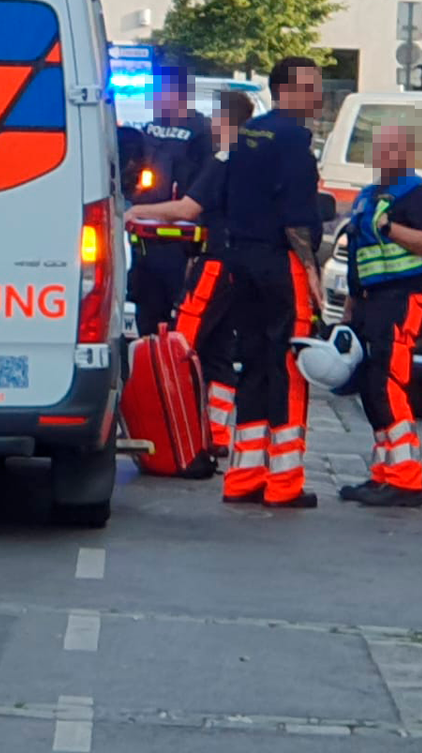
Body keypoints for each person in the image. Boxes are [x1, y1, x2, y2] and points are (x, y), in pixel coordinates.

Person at [123, 89, 254, 456]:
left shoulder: (224, 158)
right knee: (219, 348)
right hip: (241, 263)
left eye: (215, 118)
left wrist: (136, 213)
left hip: (217, 261)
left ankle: (179, 430)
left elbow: (188, 208)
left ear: (227, 121)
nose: (210, 124)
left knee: (184, 344)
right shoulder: (252, 157)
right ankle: (217, 433)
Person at [221, 57, 325, 509]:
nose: (317, 95)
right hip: (279, 262)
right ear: (285, 89)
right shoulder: (293, 139)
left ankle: (244, 476)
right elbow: (297, 216)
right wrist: (311, 271)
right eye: (310, 86)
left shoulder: (248, 134)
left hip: (240, 257)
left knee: (254, 361)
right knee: (287, 366)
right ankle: (284, 483)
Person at [338, 124, 422, 507]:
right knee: (370, 387)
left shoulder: (416, 193)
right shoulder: (368, 195)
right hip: (368, 299)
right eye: (377, 148)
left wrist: (392, 228)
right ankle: (382, 474)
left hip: (400, 299)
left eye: (387, 149)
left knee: (390, 384)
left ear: (405, 153)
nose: (379, 155)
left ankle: (406, 480)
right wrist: (350, 305)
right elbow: (357, 254)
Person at [126, 62, 214, 335]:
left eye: (157, 92)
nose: (151, 99)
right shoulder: (149, 129)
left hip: (181, 248)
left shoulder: (203, 134)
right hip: (144, 244)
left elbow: (198, 200)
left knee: (178, 328)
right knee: (147, 324)